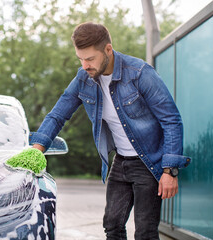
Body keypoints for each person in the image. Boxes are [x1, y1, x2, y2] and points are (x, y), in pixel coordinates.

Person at [30, 22, 191, 239]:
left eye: (90, 59)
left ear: (108, 49)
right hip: (121, 160)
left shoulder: (140, 73)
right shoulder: (83, 78)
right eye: (81, 59)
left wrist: (169, 170)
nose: (85, 65)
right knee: (112, 225)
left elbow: (171, 120)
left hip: (148, 161)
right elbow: (58, 114)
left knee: (145, 231)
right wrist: (35, 151)